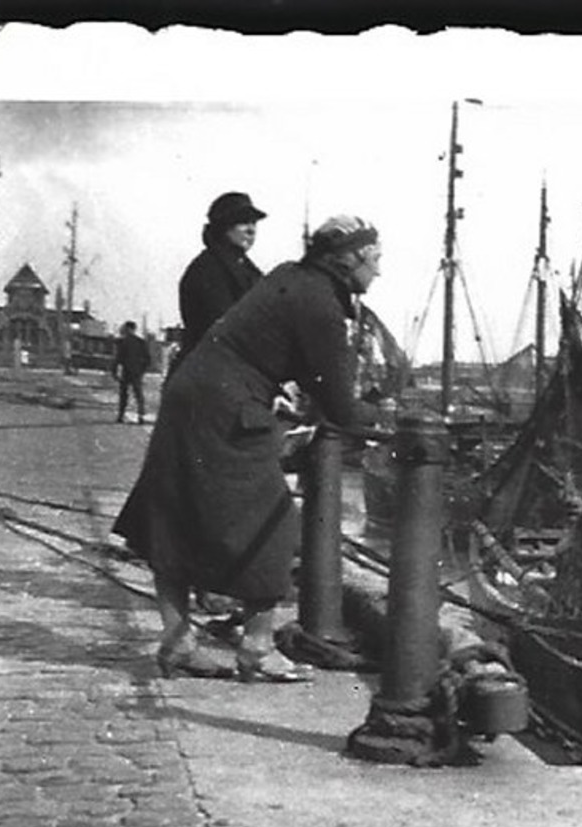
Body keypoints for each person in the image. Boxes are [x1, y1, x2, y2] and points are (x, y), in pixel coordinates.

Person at [113, 214, 383, 683]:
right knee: (274, 524)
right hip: (227, 407)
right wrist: (378, 414)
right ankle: (257, 647)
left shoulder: (291, 277)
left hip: (195, 392)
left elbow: (273, 351)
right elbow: (339, 406)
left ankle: (178, 641)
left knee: (175, 518)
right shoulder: (321, 304)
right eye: (376, 259)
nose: (379, 271)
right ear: (352, 257)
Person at [173, 191, 267, 372]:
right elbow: (226, 330)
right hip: (207, 377)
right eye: (243, 222)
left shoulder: (246, 270)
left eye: (254, 223)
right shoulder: (207, 270)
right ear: (224, 226)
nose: (251, 229)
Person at [111, 320, 151, 423]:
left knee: (124, 395)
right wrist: (142, 370)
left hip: (126, 371)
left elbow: (118, 358)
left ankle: (121, 416)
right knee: (138, 395)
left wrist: (114, 372)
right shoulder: (141, 342)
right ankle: (141, 416)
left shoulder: (122, 342)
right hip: (137, 372)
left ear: (128, 329)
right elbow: (148, 359)